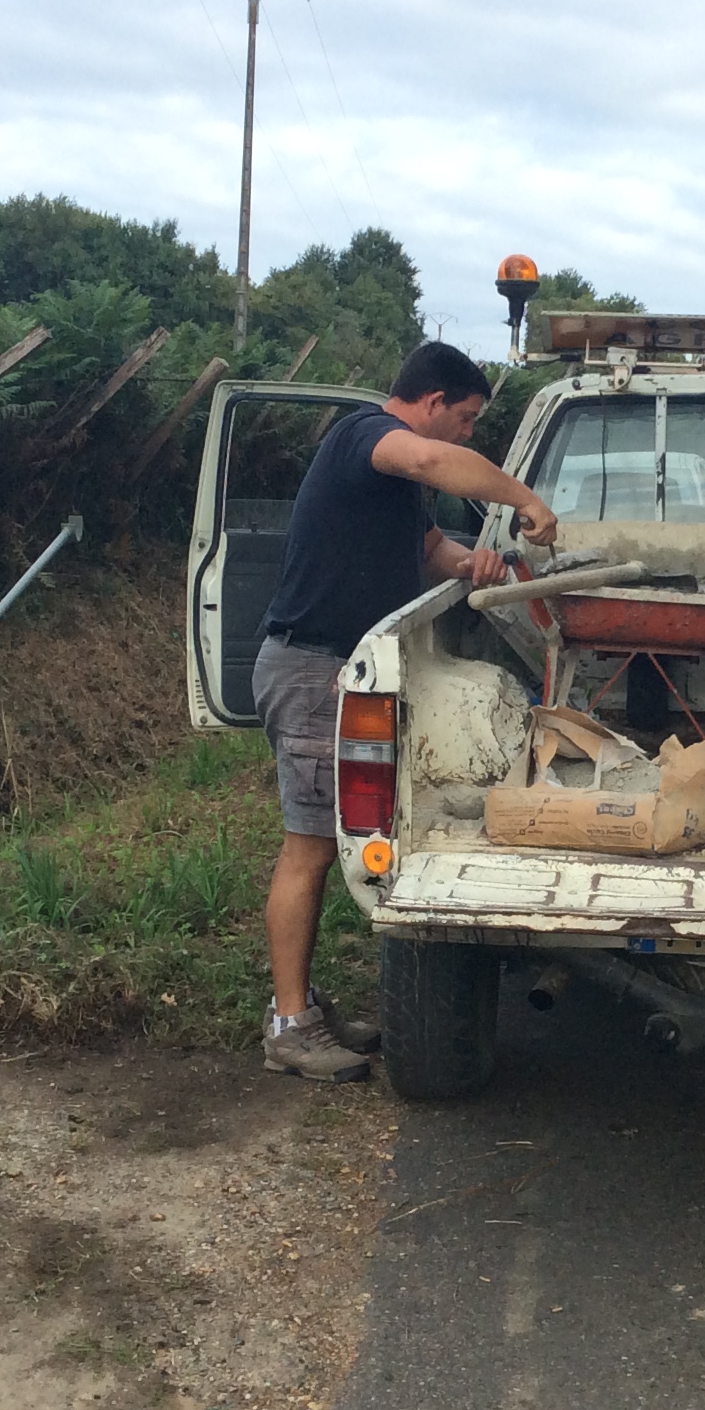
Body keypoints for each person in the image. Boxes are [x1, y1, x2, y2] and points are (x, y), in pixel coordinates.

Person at [251, 341, 558, 1082]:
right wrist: (520, 499)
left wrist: (469, 561)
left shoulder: (390, 477)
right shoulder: (366, 435)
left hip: (342, 668)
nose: (465, 435)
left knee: (339, 840)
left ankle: (308, 1011)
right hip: (314, 667)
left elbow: (427, 549)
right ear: (429, 403)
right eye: (465, 418)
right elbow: (426, 461)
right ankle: (289, 1025)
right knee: (312, 847)